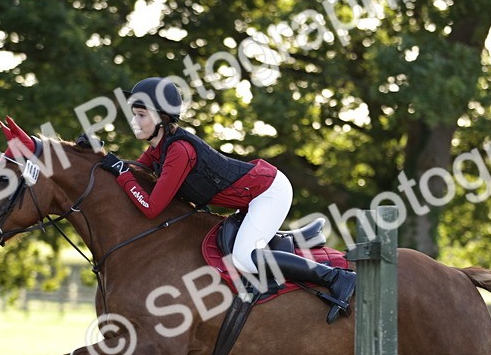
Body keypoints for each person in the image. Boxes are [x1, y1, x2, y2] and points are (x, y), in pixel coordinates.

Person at [82, 76, 355, 323]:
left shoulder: (179, 151)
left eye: (141, 115)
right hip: (253, 196)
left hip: (269, 192)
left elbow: (151, 207)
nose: (135, 121)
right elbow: (133, 171)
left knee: (245, 259)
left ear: (162, 118)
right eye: (135, 114)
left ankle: (336, 278)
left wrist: (117, 169)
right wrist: (99, 155)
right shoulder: (159, 148)